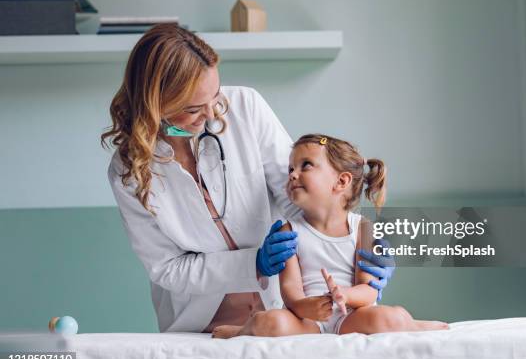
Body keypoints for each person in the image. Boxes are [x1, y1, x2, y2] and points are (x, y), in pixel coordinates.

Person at [101, 24, 394, 333]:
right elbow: (168, 268)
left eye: (214, 96)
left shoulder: (245, 108)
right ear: (155, 105)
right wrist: (254, 263)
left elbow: (300, 198)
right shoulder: (127, 171)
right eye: (193, 109)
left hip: (286, 311)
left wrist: (349, 247)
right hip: (200, 324)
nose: (213, 115)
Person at [212, 134, 448, 338]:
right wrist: (306, 307)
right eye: (290, 169)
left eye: (305, 165)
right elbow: (291, 291)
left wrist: (343, 295)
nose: (293, 174)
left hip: (352, 317)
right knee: (270, 321)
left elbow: (369, 290)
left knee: (389, 317)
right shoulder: (288, 232)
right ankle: (241, 331)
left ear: (341, 181)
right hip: (309, 320)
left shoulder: (363, 229)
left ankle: (414, 325)